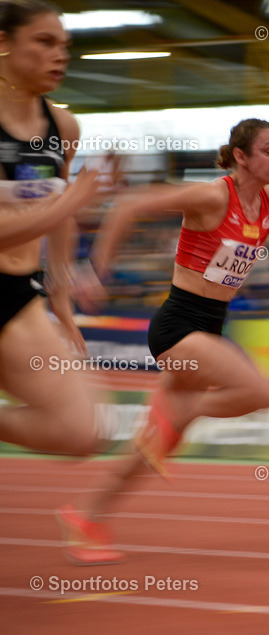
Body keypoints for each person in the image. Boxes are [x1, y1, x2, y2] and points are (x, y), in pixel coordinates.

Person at [58, 118, 269, 565]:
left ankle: (86, 514)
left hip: (210, 326)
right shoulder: (213, 195)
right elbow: (129, 206)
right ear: (241, 157)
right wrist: (96, 269)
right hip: (177, 327)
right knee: (262, 391)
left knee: (153, 446)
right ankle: (179, 416)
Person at [0, 0, 102, 460]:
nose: (59, 55)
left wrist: (59, 293)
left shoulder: (62, 125)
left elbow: (59, 214)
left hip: (17, 292)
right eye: (44, 42)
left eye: (64, 45)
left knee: (79, 430)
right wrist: (72, 199)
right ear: (3, 44)